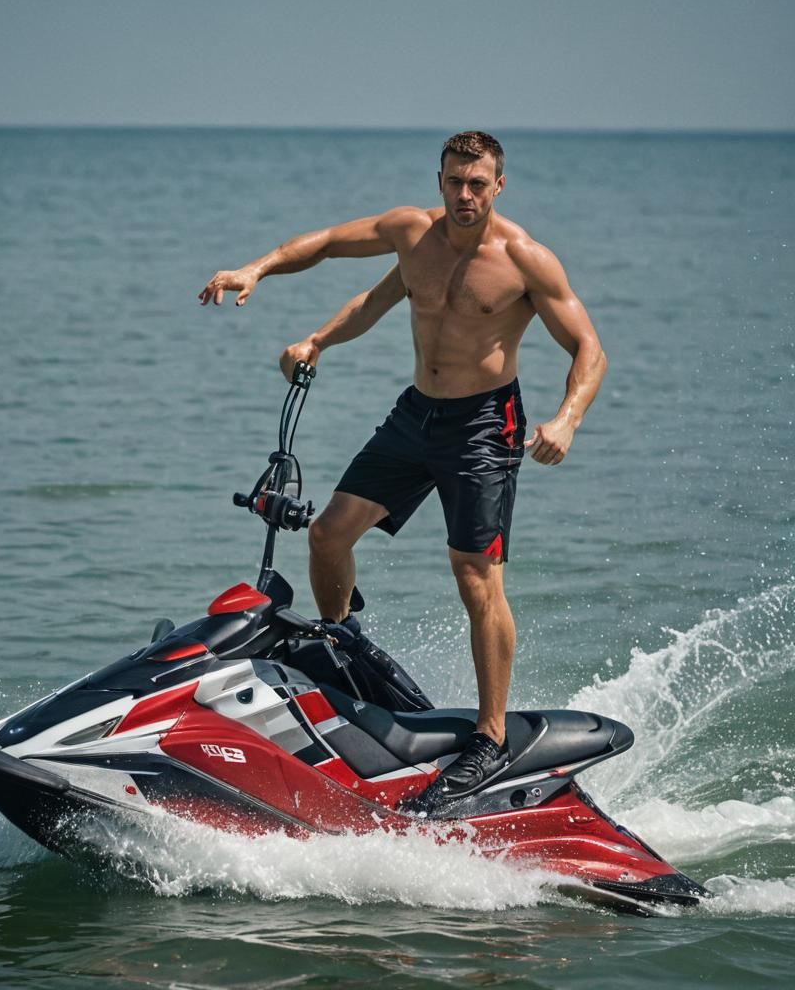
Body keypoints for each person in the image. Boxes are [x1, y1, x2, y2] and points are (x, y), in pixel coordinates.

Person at [199, 131, 606, 808]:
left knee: (475, 575)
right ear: (440, 180)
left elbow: (588, 348)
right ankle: (342, 647)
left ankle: (490, 739)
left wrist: (566, 420)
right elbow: (332, 248)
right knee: (328, 536)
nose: (465, 195)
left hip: (484, 426)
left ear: (498, 186)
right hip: (417, 415)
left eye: (478, 184)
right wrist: (265, 278)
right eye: (454, 182)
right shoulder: (413, 236)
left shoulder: (524, 259)